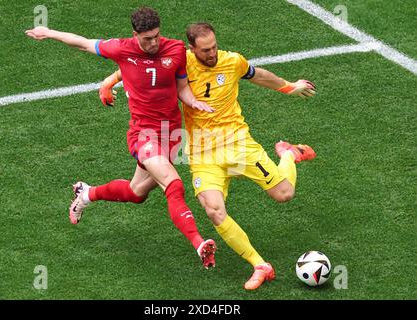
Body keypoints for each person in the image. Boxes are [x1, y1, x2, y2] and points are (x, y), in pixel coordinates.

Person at [100, 23, 317, 289]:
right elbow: (139, 66)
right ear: (192, 49)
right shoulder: (181, 61)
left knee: (284, 194)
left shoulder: (232, 61)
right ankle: (260, 265)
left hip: (238, 145)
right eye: (205, 50)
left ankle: (289, 155)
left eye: (214, 46)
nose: (212, 53)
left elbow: (258, 75)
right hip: (203, 152)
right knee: (214, 210)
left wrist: (288, 87)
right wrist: (110, 81)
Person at [25, 8, 217, 269]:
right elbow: (82, 43)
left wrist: (194, 102)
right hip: (144, 135)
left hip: (171, 133)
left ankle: (86, 194)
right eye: (147, 38)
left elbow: (182, 87)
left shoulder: (175, 49)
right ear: (135, 35)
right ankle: (199, 244)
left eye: (156, 36)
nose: (153, 43)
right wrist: (48, 32)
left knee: (136, 193)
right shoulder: (121, 49)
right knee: (174, 185)